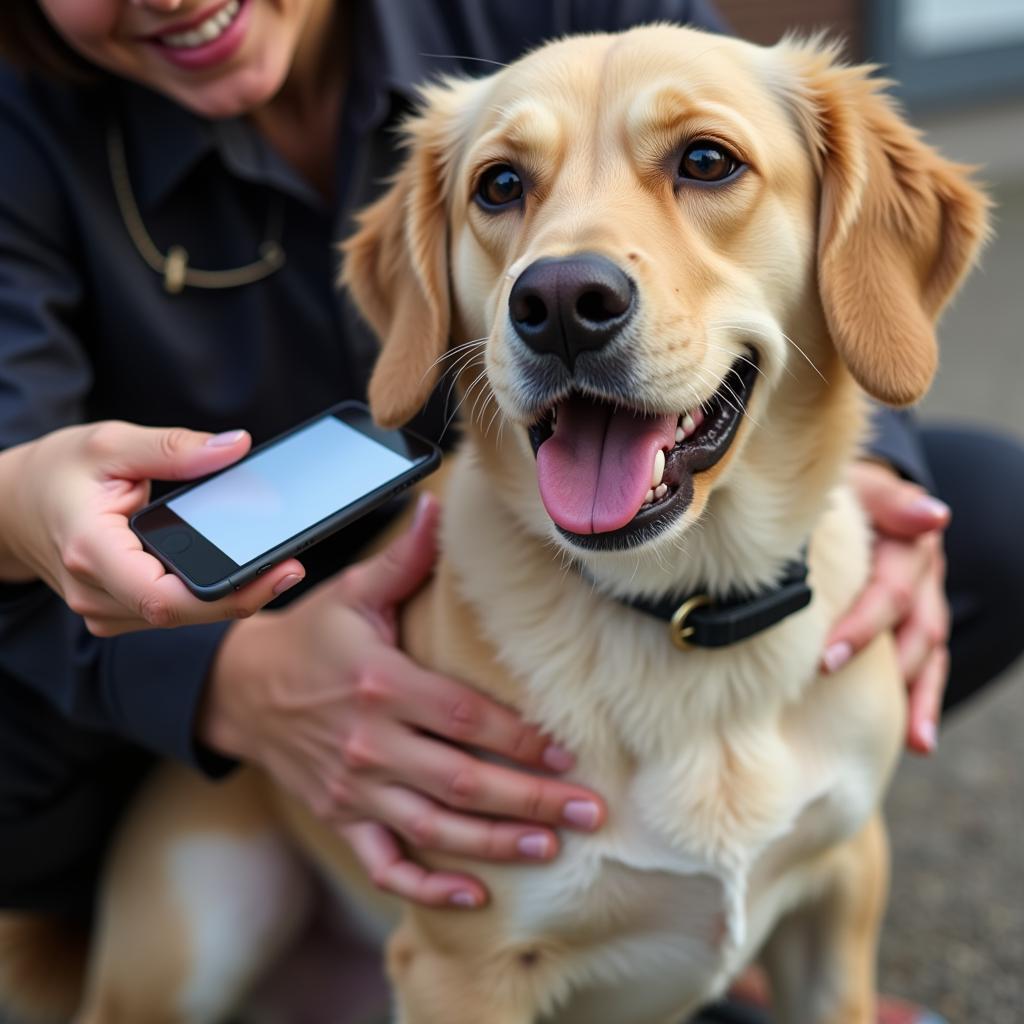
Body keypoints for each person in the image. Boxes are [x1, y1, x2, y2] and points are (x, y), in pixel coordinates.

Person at [0, 2, 1021, 1022]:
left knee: (981, 510)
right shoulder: (23, 131)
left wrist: (883, 473)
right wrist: (209, 666)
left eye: (703, 163)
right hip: (152, 688)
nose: (563, 275)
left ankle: (673, 968)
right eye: (504, 188)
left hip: (718, 558)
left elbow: (866, 305)